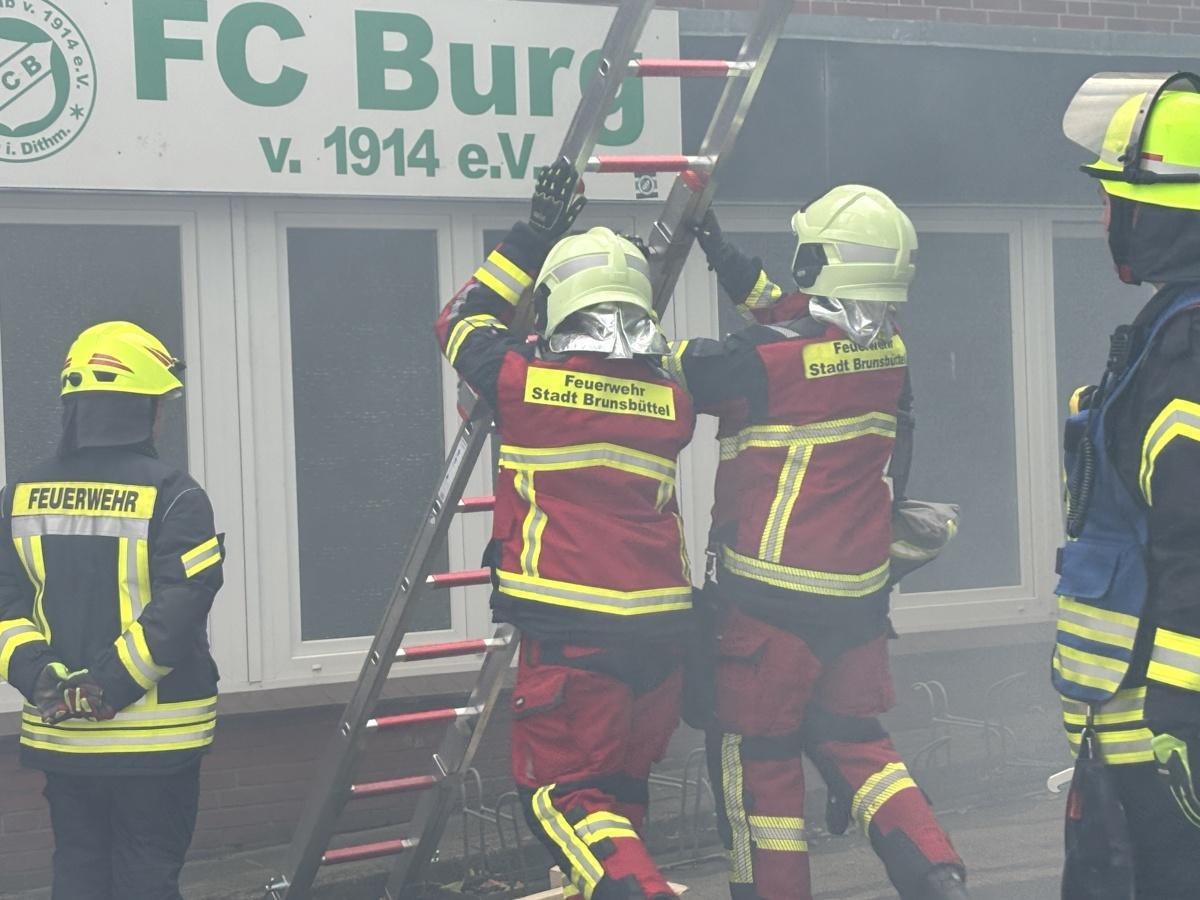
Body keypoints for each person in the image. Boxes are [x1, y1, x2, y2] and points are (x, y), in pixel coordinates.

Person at [665, 185, 966, 899]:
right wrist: (721, 251)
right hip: (858, 603)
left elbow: (658, 369)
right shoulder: (890, 351)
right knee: (861, 746)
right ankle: (938, 876)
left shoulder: (758, 362)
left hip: (766, 611)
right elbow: (793, 321)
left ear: (821, 260)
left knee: (759, 770)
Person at [435, 160, 695, 900]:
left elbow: (461, 319)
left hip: (574, 636)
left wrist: (534, 234)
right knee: (620, 798)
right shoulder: (670, 391)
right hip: (662, 636)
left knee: (563, 797)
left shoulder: (523, 381)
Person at [0, 321, 224, 900]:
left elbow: (5, 605)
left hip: (64, 741)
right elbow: (181, 608)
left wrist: (43, 678)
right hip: (155, 743)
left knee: (78, 871)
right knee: (147, 876)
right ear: (142, 408)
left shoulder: (19, 495)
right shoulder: (176, 494)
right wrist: (103, 686)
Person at [1056, 71, 1200, 897]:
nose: (1109, 217)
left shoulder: (1184, 355)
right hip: (1132, 732)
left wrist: (1183, 715)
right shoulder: (1166, 335)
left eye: (1121, 199)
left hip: (1158, 736)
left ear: (1165, 213)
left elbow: (1192, 541)